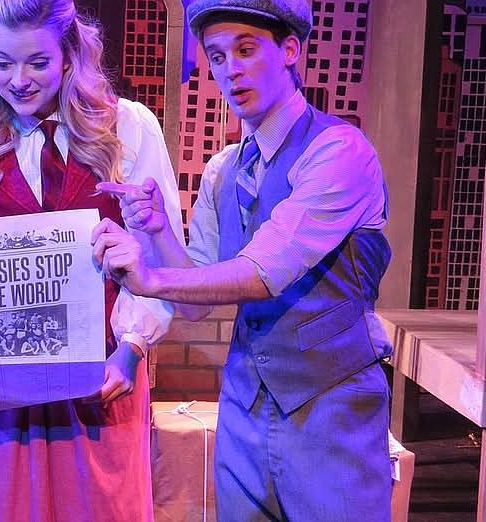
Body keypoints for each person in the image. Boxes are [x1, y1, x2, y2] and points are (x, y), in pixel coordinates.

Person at [91, 0, 395, 520]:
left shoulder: (340, 151)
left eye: (246, 49)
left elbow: (261, 273)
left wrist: (147, 278)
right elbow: (195, 304)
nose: (230, 68)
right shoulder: (223, 170)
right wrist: (158, 232)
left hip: (329, 406)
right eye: (217, 56)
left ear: (290, 50)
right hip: (244, 410)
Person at [0, 0, 182, 519]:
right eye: (3, 62)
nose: (18, 80)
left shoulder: (127, 128)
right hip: (0, 397)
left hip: (102, 381)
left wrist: (132, 348)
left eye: (37, 62)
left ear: (68, 56)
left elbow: (157, 257)